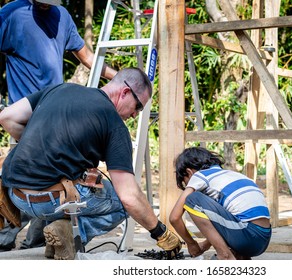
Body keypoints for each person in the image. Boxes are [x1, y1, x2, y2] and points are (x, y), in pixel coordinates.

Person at [0, 67, 182, 260]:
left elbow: (6, 117)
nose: (136, 115)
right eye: (138, 107)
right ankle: (70, 234)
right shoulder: (114, 125)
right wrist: (160, 232)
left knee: (78, 184)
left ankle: (58, 238)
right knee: (122, 203)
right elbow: (129, 197)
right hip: (51, 201)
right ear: (125, 92)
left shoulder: (59, 89)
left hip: (15, 195)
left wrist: (41, 144)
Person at [0, 0, 117, 251]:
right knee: (25, 177)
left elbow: (86, 56)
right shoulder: (11, 14)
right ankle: (6, 238)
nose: (45, 6)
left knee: (53, 180)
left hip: (55, 114)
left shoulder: (62, 16)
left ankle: (38, 241)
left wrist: (120, 79)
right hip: (24, 114)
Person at [170, 147, 272, 260]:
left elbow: (174, 217)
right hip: (263, 239)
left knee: (192, 200)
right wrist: (205, 245)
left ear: (189, 172)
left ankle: (225, 255)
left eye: (185, 182)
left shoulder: (200, 175)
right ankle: (239, 256)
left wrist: (191, 244)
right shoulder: (232, 175)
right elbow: (221, 221)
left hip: (247, 235)